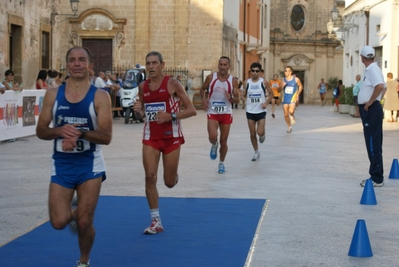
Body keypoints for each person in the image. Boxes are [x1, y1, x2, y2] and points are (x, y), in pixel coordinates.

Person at [36, 46, 112, 267]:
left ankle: (84, 262)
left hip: (90, 164)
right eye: (72, 60)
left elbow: (106, 137)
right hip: (62, 164)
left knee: (84, 221)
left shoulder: (100, 96)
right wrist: (59, 131)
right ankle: (78, 207)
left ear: (90, 65)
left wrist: (79, 132)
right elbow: (41, 131)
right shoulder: (53, 95)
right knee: (59, 222)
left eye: (81, 60)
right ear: (67, 65)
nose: (77, 64)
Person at [133, 51, 197, 234]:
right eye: (148, 63)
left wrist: (171, 116)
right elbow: (143, 112)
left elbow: (192, 110)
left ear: (162, 64)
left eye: (154, 63)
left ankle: (173, 175)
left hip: (171, 136)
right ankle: (156, 221)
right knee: (150, 177)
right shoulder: (142, 86)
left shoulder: (172, 84)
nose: (151, 67)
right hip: (151, 136)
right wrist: (138, 110)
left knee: (168, 182)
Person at [200, 56, 240, 173]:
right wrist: (203, 100)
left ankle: (221, 163)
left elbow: (238, 100)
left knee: (224, 141)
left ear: (229, 66)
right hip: (213, 111)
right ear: (218, 65)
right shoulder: (210, 78)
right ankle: (214, 144)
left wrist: (231, 98)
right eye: (220, 64)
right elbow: (202, 90)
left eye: (225, 65)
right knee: (212, 137)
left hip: (226, 113)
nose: (222, 67)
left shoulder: (233, 81)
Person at [358, 46, 386, 187]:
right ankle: (377, 174)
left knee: (372, 143)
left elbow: (380, 86)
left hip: (371, 110)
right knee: (374, 142)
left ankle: (376, 178)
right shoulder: (374, 69)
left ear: (362, 57)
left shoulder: (372, 70)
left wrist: (370, 102)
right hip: (372, 109)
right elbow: (383, 87)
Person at [243, 62, 273, 161]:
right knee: (252, 133)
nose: (255, 73)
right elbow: (244, 95)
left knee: (259, 132)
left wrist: (266, 103)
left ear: (260, 72)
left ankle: (262, 134)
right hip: (250, 111)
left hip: (261, 110)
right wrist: (242, 98)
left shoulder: (264, 82)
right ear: (250, 71)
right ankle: (256, 151)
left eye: (257, 71)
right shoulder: (246, 82)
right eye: (253, 71)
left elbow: (271, 93)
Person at [280, 66, 303, 133]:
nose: (285, 72)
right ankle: (289, 126)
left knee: (291, 111)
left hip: (293, 98)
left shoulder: (296, 79)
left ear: (290, 72)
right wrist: (282, 86)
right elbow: (278, 90)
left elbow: (301, 86)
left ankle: (292, 115)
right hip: (285, 98)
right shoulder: (283, 80)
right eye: (284, 70)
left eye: (286, 71)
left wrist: (298, 94)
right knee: (285, 114)